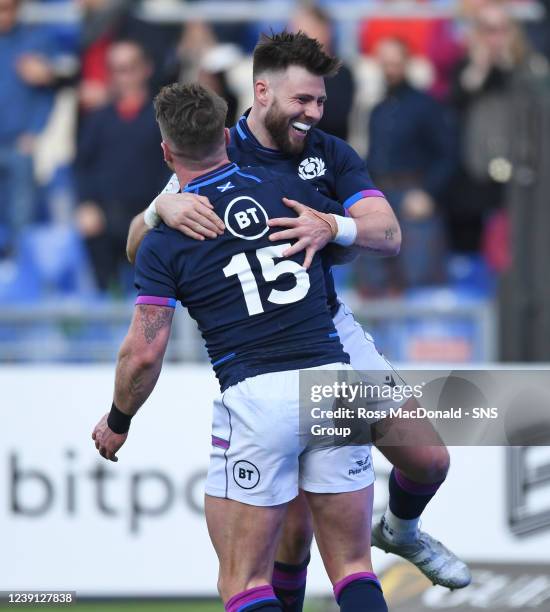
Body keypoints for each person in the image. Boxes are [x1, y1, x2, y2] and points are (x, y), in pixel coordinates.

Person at [126, 32, 471, 611]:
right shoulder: (215, 150)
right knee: (292, 533)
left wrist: (333, 227)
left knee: (430, 459)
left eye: (320, 101)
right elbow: (139, 245)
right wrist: (156, 208)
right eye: (302, 101)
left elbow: (388, 233)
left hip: (330, 331)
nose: (314, 113)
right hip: (263, 355)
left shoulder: (331, 153)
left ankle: (402, 531)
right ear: (261, 93)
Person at [92, 82, 388, 612]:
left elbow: (143, 353)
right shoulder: (284, 187)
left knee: (245, 581)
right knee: (353, 566)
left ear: (166, 152)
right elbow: (350, 245)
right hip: (335, 382)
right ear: (226, 135)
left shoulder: (165, 240)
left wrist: (119, 419)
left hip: (258, 395)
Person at [361, 37, 456, 293]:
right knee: (375, 280)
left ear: (407, 63)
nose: (390, 68)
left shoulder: (426, 106)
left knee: (418, 276)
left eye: (395, 62)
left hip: (413, 196)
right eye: (385, 63)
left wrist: (428, 193)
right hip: (380, 199)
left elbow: (447, 154)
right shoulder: (377, 110)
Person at [75, 40, 170, 291]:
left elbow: (171, 168)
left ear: (145, 69)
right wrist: (86, 204)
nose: (123, 77)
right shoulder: (98, 119)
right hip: (105, 217)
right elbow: (82, 166)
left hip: (150, 216)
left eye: (129, 68)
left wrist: (158, 211)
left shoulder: (162, 119)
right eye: (116, 69)